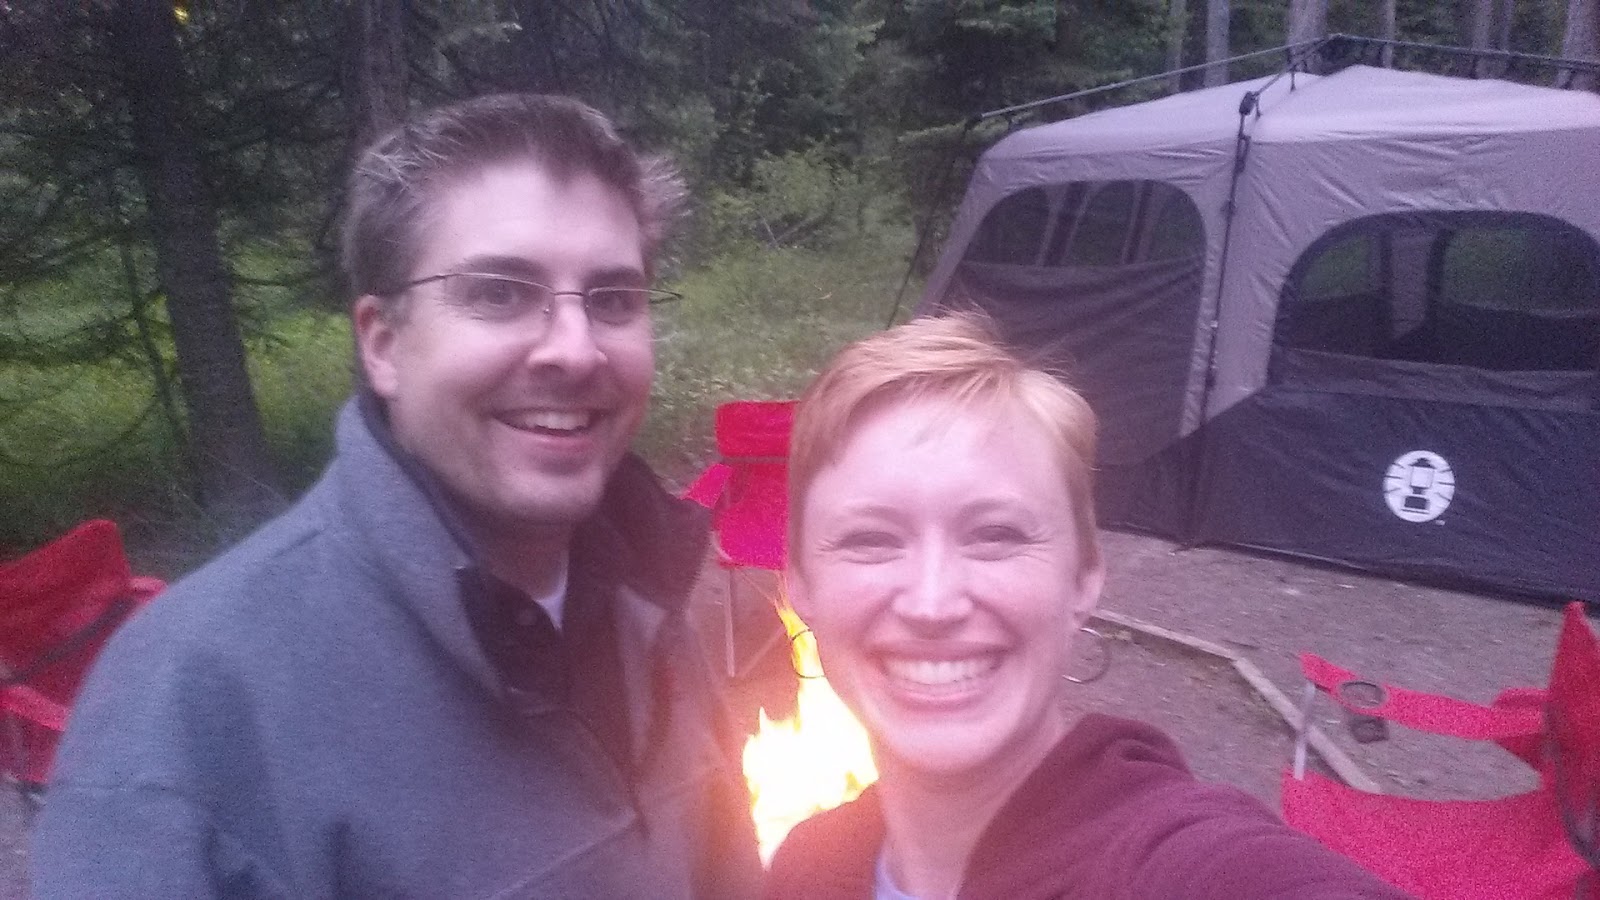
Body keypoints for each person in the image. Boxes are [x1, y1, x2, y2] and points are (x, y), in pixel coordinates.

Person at [32, 94, 761, 898]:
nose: (576, 349)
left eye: (613, 299)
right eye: (500, 293)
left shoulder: (645, 598)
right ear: (382, 344)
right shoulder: (189, 714)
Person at [764, 313, 1411, 899]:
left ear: (1084, 576)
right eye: (870, 540)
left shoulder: (1176, 860)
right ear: (799, 584)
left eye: (996, 534)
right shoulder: (807, 867)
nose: (933, 603)